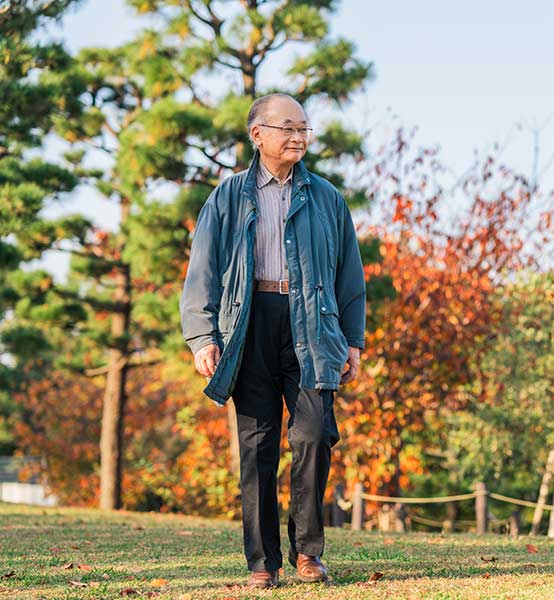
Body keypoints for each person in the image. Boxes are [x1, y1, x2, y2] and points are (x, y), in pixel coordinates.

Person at [179, 93, 366, 588]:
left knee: (314, 435)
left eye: (304, 129)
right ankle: (263, 564)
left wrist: (354, 342)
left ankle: (308, 552)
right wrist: (203, 338)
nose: (298, 137)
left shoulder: (327, 198)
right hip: (248, 324)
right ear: (257, 134)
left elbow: (350, 275)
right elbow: (202, 273)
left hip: (312, 326)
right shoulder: (228, 196)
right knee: (257, 446)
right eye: (288, 128)